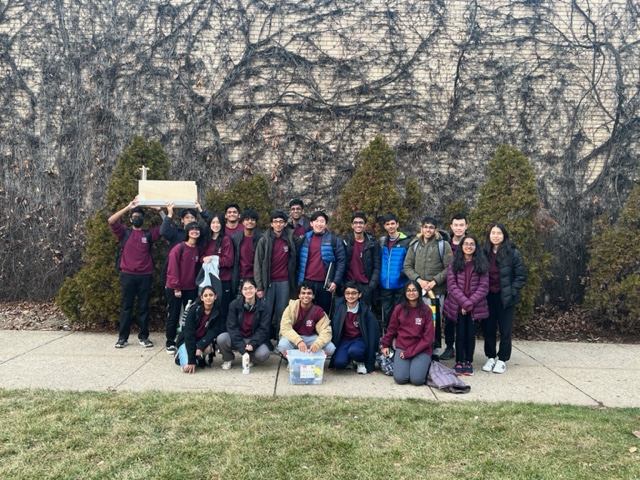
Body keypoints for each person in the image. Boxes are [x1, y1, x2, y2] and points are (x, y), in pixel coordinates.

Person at [108, 198, 162, 348]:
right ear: (130, 219)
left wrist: (159, 210)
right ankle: (122, 338)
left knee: (144, 307)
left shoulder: (149, 234)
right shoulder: (124, 232)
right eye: (134, 216)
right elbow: (111, 220)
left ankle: (144, 337)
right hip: (128, 275)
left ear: (143, 219)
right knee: (126, 307)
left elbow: (165, 227)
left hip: (145, 276)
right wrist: (128, 207)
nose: (137, 218)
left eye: (139, 216)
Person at [481, 223, 528, 374]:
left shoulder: (513, 252)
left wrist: (511, 292)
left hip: (505, 298)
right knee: (488, 329)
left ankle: (502, 360)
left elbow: (521, 276)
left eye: (499, 233)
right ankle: (490, 357)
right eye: (493, 233)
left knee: (505, 330)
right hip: (488, 297)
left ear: (504, 235)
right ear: (489, 235)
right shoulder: (483, 252)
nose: (495, 236)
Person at [403, 216, 453, 356]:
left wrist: (434, 281)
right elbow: (407, 266)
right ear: (421, 228)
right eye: (426, 227)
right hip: (418, 292)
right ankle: (418, 348)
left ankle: (434, 350)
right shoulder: (414, 245)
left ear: (435, 229)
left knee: (434, 322)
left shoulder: (443, 245)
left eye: (431, 227)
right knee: (417, 321)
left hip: (435, 292)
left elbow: (449, 268)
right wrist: (419, 280)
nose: (428, 230)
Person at [443, 235, 489, 376]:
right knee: (460, 334)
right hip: (458, 306)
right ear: (461, 246)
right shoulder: (454, 263)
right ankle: (459, 361)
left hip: (474, 307)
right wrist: (464, 303)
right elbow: (452, 285)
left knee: (470, 334)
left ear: (476, 247)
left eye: (472, 244)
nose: (469, 246)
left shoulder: (482, 264)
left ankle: (468, 361)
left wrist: (469, 304)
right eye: (466, 244)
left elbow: (484, 287)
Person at [254, 210, 300, 340]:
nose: (278, 224)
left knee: (282, 313)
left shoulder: (291, 239)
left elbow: (305, 243)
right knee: (266, 313)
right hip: (268, 282)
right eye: (275, 222)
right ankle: (264, 340)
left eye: (281, 222)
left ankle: (281, 340)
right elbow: (257, 264)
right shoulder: (264, 240)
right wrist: (259, 286)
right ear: (271, 224)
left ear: (285, 223)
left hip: (284, 281)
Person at [380, 280, 435, 386]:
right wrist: (385, 344)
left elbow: (428, 338)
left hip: (421, 348)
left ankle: (423, 366)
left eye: (414, 290)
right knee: (400, 379)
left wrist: (410, 353)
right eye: (408, 290)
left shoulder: (426, 310)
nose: (411, 293)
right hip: (403, 346)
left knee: (417, 380)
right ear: (405, 293)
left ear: (419, 292)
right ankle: (413, 366)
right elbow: (391, 329)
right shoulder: (399, 309)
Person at [297, 211, 345, 315]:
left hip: (325, 284)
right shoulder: (304, 239)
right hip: (306, 282)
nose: (319, 224)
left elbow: (341, 262)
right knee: (305, 313)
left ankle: (323, 332)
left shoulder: (334, 240)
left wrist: (335, 281)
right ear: (311, 223)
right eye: (316, 221)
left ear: (326, 224)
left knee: (323, 314)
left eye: (322, 221)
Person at [164, 222, 202, 353]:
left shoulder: (197, 249)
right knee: (173, 315)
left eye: (197, 229)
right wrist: (176, 287)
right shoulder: (178, 248)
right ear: (187, 232)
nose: (195, 231)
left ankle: (186, 340)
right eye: (192, 229)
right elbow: (172, 268)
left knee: (190, 315)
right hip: (176, 288)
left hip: (191, 288)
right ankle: (170, 342)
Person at [216, 279, 271, 369]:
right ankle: (228, 358)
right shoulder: (234, 305)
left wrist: (253, 343)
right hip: (238, 337)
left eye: (251, 288)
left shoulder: (263, 307)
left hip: (252, 339)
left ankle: (249, 359)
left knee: (264, 353)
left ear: (256, 289)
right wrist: (242, 348)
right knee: (222, 338)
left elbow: (263, 329)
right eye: (245, 289)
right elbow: (232, 327)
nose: (248, 291)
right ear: (241, 291)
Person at [329, 281, 380, 374]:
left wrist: (371, 366)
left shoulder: (365, 311)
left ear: (359, 295)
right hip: (345, 340)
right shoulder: (340, 309)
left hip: (359, 340)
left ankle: (360, 361)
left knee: (355, 352)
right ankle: (350, 360)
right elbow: (335, 330)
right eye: (347, 293)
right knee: (339, 364)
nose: (350, 296)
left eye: (354, 293)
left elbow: (373, 336)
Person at [439, 213, 469, 360]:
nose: (458, 228)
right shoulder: (445, 244)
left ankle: (462, 349)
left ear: (466, 226)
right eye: (456, 225)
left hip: (465, 289)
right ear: (451, 226)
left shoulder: (471, 244)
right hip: (448, 288)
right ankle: (449, 347)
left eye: (461, 225)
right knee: (449, 319)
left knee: (464, 321)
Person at [277, 282, 336, 356]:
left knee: (330, 348)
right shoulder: (291, 308)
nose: (306, 296)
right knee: (282, 345)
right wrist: (299, 341)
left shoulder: (318, 311)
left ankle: (310, 358)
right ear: (299, 295)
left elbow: (326, 331)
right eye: (303, 293)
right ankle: (295, 358)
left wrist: (317, 344)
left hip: (311, 338)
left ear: (313, 296)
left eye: (309, 293)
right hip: (294, 337)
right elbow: (285, 328)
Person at [175, 285, 223, 373]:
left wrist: (200, 346)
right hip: (187, 341)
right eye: (205, 295)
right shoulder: (193, 310)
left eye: (211, 295)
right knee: (187, 368)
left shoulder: (218, 312)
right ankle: (184, 355)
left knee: (208, 348)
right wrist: (191, 360)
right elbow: (188, 334)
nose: (208, 298)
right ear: (201, 298)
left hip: (202, 341)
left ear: (215, 297)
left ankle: (199, 356)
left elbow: (213, 332)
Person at [379, 213, 412, 332]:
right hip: (385, 284)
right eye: (387, 224)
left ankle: (400, 338)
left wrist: (402, 274)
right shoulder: (382, 241)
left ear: (397, 224)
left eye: (393, 223)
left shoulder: (407, 241)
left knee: (400, 312)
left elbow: (410, 261)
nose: (390, 226)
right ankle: (387, 338)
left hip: (400, 284)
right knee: (386, 312)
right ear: (384, 226)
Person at [341, 212, 381, 308]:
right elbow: (340, 263)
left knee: (365, 315)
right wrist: (342, 284)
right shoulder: (345, 242)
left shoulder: (372, 243)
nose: (358, 225)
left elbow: (377, 265)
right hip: (349, 284)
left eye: (361, 223)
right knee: (349, 315)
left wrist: (371, 285)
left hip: (365, 286)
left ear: (365, 225)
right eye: (355, 222)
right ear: (352, 225)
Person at [200, 212, 234, 324]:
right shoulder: (206, 239)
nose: (215, 225)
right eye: (213, 222)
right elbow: (201, 257)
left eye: (218, 223)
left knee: (223, 309)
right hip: (209, 281)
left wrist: (214, 259)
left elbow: (229, 261)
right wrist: (204, 258)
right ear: (209, 224)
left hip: (223, 280)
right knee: (210, 309)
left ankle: (223, 336)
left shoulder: (226, 239)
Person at [230, 209, 263, 297]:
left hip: (256, 279)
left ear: (256, 222)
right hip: (240, 278)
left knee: (256, 307)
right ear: (243, 222)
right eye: (247, 219)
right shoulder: (235, 238)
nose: (250, 222)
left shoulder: (262, 238)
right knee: (239, 306)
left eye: (252, 220)